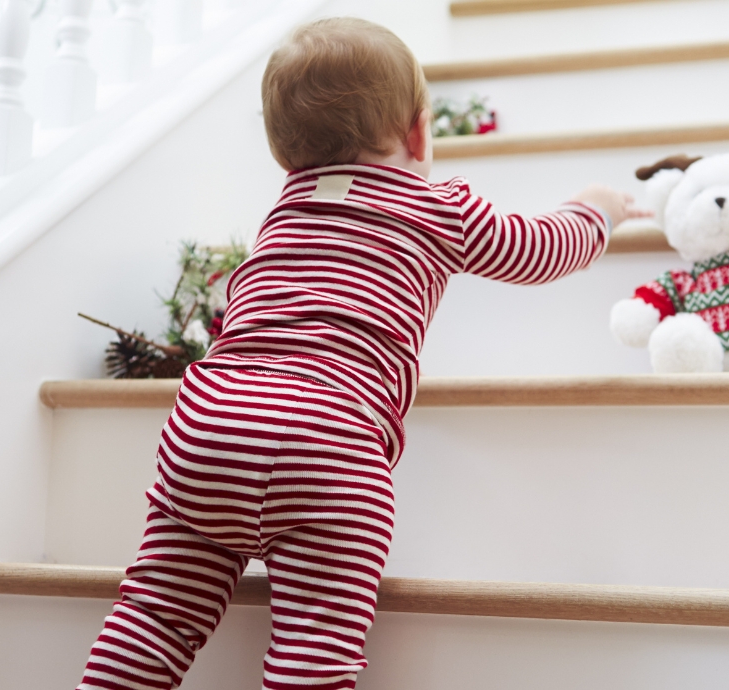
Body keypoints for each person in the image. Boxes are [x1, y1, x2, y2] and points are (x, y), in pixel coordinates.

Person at [77, 16, 647, 690]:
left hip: (206, 428)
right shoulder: (440, 206)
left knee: (155, 610)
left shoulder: (282, 215)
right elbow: (538, 251)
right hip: (328, 441)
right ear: (417, 132)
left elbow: (246, 311)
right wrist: (595, 210)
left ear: (285, 155)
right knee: (315, 641)